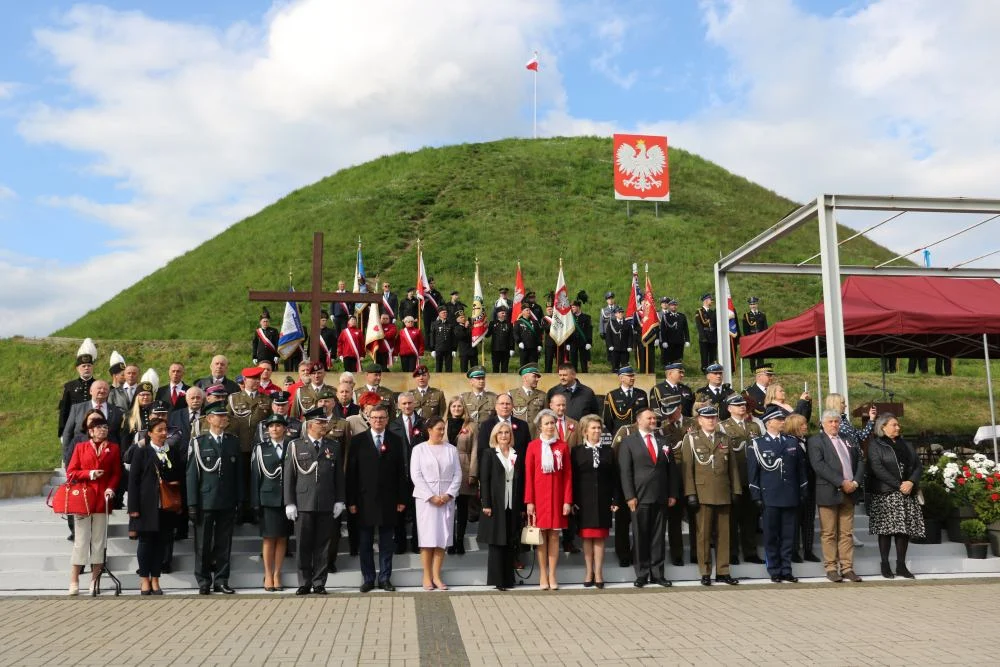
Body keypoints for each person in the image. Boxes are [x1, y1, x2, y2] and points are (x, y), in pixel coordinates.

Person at [284, 408, 345, 595]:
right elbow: (289, 476)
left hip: (326, 501)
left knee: (323, 545)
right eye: (321, 422)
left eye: (325, 422)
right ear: (310, 425)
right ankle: (304, 582)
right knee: (303, 544)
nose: (325, 425)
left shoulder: (333, 446)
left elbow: (339, 476)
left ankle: (319, 582)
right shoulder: (296, 445)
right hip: (303, 502)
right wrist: (289, 502)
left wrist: (340, 500)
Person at [347, 404, 408, 592]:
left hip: (388, 501)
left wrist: (401, 499)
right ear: (369, 419)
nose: (378, 421)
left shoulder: (396, 440)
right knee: (364, 543)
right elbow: (351, 473)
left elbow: (401, 472)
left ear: (387, 419)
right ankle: (368, 578)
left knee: (386, 544)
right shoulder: (358, 441)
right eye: (375, 418)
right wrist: (351, 501)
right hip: (364, 501)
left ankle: (384, 578)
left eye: (382, 418)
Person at [618, 407, 679, 587]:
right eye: (649, 418)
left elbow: (672, 470)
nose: (653, 421)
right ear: (639, 420)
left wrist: (672, 493)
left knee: (658, 537)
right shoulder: (629, 442)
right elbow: (625, 471)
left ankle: (658, 573)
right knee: (640, 536)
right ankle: (642, 573)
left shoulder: (663, 440)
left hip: (660, 496)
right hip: (639, 497)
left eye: (654, 418)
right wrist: (629, 496)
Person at [187, 402, 243, 594]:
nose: (223, 419)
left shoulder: (232, 441)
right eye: (219, 416)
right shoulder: (199, 442)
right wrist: (192, 503)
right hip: (205, 500)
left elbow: (238, 475)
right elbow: (192, 476)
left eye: (225, 416)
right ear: (209, 419)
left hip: (227, 500)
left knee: (224, 543)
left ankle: (221, 579)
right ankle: (203, 580)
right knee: (203, 543)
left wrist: (239, 500)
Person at [682, 405, 741, 586]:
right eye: (707, 418)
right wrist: (690, 493)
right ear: (699, 420)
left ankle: (723, 570)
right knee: (704, 535)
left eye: (714, 418)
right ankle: (705, 571)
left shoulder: (724, 438)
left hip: (723, 491)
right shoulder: (692, 439)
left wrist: (736, 490)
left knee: (724, 535)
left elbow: (732, 467)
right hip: (703, 493)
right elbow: (687, 470)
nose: (711, 421)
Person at [749, 407, 808, 583]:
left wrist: (803, 489)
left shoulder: (791, 442)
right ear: (769, 422)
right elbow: (753, 473)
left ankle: (786, 568)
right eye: (779, 419)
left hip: (789, 495)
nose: (783, 422)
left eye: (783, 419)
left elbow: (801, 470)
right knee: (771, 535)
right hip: (770, 496)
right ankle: (774, 568)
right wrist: (756, 496)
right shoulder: (758, 443)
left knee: (788, 535)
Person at [65, 416, 121, 596]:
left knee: (99, 541)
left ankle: (94, 580)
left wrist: (111, 488)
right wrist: (89, 474)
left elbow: (116, 473)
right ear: (90, 431)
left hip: (102, 499)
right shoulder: (80, 447)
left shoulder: (113, 448)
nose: (103, 430)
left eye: (105, 427)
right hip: (84, 498)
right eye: (98, 427)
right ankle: (74, 580)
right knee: (81, 540)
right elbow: (71, 472)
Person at [128, 417, 183, 595]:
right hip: (146, 506)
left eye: (165, 429)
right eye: (159, 430)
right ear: (150, 433)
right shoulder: (141, 451)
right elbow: (133, 481)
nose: (163, 433)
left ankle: (156, 579)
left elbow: (179, 474)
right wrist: (133, 508)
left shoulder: (172, 451)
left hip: (166, 505)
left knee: (162, 543)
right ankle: (144, 579)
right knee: (146, 543)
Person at [809, 409, 865, 583]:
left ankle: (847, 568)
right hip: (829, 491)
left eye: (836, 422)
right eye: (830, 422)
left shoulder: (847, 439)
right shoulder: (816, 441)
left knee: (846, 533)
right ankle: (831, 567)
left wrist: (855, 482)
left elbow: (860, 461)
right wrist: (841, 482)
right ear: (822, 423)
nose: (834, 425)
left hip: (850, 491)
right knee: (829, 533)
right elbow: (819, 466)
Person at [867, 413, 924, 579]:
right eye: (894, 425)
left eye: (898, 425)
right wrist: (899, 484)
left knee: (903, 531)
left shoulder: (906, 444)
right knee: (885, 530)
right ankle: (885, 564)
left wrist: (911, 482)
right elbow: (877, 469)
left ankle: (901, 565)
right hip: (886, 493)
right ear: (883, 427)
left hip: (907, 492)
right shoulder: (875, 445)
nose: (898, 428)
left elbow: (918, 466)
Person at [410, 416, 463, 590]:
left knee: (442, 537)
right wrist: (431, 496)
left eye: (443, 429)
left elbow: (457, 474)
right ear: (429, 430)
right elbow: (416, 475)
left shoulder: (451, 449)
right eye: (438, 429)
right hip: (426, 501)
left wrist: (448, 494)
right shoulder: (419, 449)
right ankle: (426, 576)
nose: (441, 432)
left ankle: (437, 575)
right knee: (427, 538)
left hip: (445, 499)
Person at [524, 410, 573, 590]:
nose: (550, 426)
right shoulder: (533, 446)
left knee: (554, 536)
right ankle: (542, 574)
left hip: (557, 498)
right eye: (546, 424)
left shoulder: (563, 446)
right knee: (541, 537)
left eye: (552, 423)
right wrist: (529, 500)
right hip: (539, 498)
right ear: (540, 427)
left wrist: (567, 500)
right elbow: (528, 475)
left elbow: (568, 475)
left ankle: (552, 574)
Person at [571, 414, 619, 588]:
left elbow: (615, 477)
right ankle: (588, 572)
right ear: (585, 431)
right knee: (587, 538)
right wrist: (573, 501)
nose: (597, 431)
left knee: (600, 538)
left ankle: (598, 573)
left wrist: (615, 498)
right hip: (583, 501)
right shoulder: (576, 451)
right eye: (593, 428)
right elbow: (573, 478)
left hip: (603, 500)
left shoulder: (608, 451)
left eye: (599, 428)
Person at [718, 394, 764, 565]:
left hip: (751, 479)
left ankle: (750, 551)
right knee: (731, 519)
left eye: (743, 404)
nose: (742, 407)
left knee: (750, 518)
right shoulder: (722, 427)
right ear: (729, 408)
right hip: (732, 479)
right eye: (737, 405)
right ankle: (732, 553)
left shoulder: (754, 427)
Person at [479, 421, 524, 591]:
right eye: (501, 433)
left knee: (510, 541)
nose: (504, 435)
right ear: (495, 436)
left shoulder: (516, 454)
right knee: (497, 543)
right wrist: (486, 503)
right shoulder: (489, 454)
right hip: (495, 505)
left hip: (512, 503)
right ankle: (498, 580)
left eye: (507, 433)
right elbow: (484, 480)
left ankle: (508, 578)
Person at [251, 414, 292, 592]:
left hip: (287, 499)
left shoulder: (292, 446)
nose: (274, 429)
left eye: (278, 426)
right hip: (267, 498)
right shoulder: (260, 448)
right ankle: (268, 574)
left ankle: (277, 573)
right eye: (271, 426)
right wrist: (255, 502)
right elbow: (255, 477)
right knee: (269, 538)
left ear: (284, 428)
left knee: (283, 537)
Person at [389, 392, 427, 554]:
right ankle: (400, 543)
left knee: (420, 510)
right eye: (403, 403)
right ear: (398, 405)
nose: (407, 406)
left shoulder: (423, 424)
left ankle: (418, 543)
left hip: (420, 475)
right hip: (400, 475)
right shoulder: (392, 425)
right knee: (399, 511)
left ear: (415, 403)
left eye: (410, 403)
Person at [783, 413, 821, 563]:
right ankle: (793, 550)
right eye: (802, 424)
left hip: (810, 486)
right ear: (794, 427)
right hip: (794, 487)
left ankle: (808, 550)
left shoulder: (810, 441)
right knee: (794, 520)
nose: (805, 426)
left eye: (805, 424)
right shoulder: (787, 441)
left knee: (808, 520)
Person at [446, 397, 477, 555]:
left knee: (463, 508)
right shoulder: (443, 425)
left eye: (459, 406)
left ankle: (460, 541)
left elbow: (475, 450)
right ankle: (450, 541)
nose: (457, 408)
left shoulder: (471, 426)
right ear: (449, 408)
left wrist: (473, 473)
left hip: (464, 468)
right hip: (446, 471)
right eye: (454, 406)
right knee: (449, 509)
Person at [58, 346, 96, 439]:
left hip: (94, 426)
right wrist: (62, 431)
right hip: (74, 427)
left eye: (89, 366)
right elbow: (64, 409)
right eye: (83, 366)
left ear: (92, 367)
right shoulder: (69, 386)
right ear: (77, 368)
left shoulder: (98, 385)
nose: (86, 368)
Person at [602, 366, 649, 435]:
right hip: (621, 433)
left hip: (639, 432)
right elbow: (608, 419)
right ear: (621, 378)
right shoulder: (612, 395)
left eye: (633, 375)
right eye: (629, 376)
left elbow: (646, 413)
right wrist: (616, 432)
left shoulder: (641, 393)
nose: (633, 378)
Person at [511, 364, 546, 437]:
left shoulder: (543, 395)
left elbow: (546, 417)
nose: (537, 379)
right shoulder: (512, 394)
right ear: (525, 378)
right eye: (534, 376)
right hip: (517, 435)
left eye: (537, 377)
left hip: (536, 436)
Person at [459, 366, 497, 432]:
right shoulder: (464, 398)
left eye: (483, 378)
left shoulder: (493, 397)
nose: (481, 381)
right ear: (471, 381)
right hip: (469, 432)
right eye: (478, 379)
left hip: (488, 431)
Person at [658, 297, 690, 367]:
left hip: (679, 341)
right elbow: (663, 330)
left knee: (678, 359)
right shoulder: (666, 316)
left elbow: (686, 329)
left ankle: (678, 372)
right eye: (672, 305)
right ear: (669, 306)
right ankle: (670, 373)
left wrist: (687, 340)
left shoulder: (682, 316)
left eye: (675, 305)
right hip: (669, 342)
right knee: (669, 359)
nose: (674, 306)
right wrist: (664, 341)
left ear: (677, 306)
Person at [741, 296, 769, 371]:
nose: (753, 306)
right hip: (751, 337)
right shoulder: (746, 315)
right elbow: (745, 329)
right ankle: (753, 369)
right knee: (752, 354)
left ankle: (760, 369)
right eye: (751, 304)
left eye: (754, 304)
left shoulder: (762, 315)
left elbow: (765, 327)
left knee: (760, 353)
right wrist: (748, 338)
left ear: (757, 304)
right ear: (749, 306)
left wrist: (764, 337)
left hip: (760, 337)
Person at [486, 307, 515, 372]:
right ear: (498, 314)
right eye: (502, 313)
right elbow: (487, 335)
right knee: (495, 367)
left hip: (506, 350)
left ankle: (504, 382)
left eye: (505, 313)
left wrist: (512, 348)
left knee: (505, 368)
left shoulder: (509, 324)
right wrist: (484, 329)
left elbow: (511, 337)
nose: (504, 314)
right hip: (495, 349)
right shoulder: (492, 323)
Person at [603, 306, 632, 372]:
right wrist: (610, 345)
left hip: (625, 349)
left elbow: (630, 336)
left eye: (622, 312)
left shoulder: (627, 323)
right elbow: (608, 335)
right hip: (615, 349)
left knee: (625, 367)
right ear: (615, 314)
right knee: (615, 367)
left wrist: (630, 346)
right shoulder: (611, 323)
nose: (621, 313)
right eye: (619, 312)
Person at [694, 293, 717, 373]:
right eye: (711, 300)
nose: (712, 301)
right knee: (704, 354)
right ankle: (704, 369)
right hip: (705, 335)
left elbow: (715, 324)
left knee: (712, 354)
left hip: (712, 336)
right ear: (706, 301)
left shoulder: (712, 312)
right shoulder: (699, 311)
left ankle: (711, 369)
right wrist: (702, 336)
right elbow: (699, 325)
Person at [428, 306, 455, 372]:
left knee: (449, 367)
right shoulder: (434, 324)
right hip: (438, 348)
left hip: (448, 348)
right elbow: (432, 337)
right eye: (443, 313)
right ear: (439, 314)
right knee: (438, 366)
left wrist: (454, 349)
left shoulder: (450, 324)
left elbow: (453, 337)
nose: (445, 314)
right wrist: (432, 349)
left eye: (446, 312)